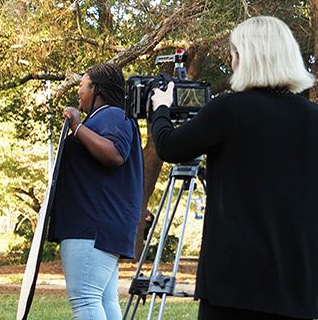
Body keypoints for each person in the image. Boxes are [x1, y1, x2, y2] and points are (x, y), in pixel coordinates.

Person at [150, 16, 318, 320]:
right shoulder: (312, 117)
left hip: (236, 284)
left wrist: (160, 109)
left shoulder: (229, 109)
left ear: (246, 58)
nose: (231, 61)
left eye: (235, 54)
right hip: (299, 284)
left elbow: (170, 146)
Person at [47, 63, 144, 319]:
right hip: (95, 225)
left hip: (92, 227)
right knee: (103, 298)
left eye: (83, 85)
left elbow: (115, 154)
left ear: (97, 89)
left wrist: (78, 128)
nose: (79, 91)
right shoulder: (106, 117)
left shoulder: (112, 115)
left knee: (86, 300)